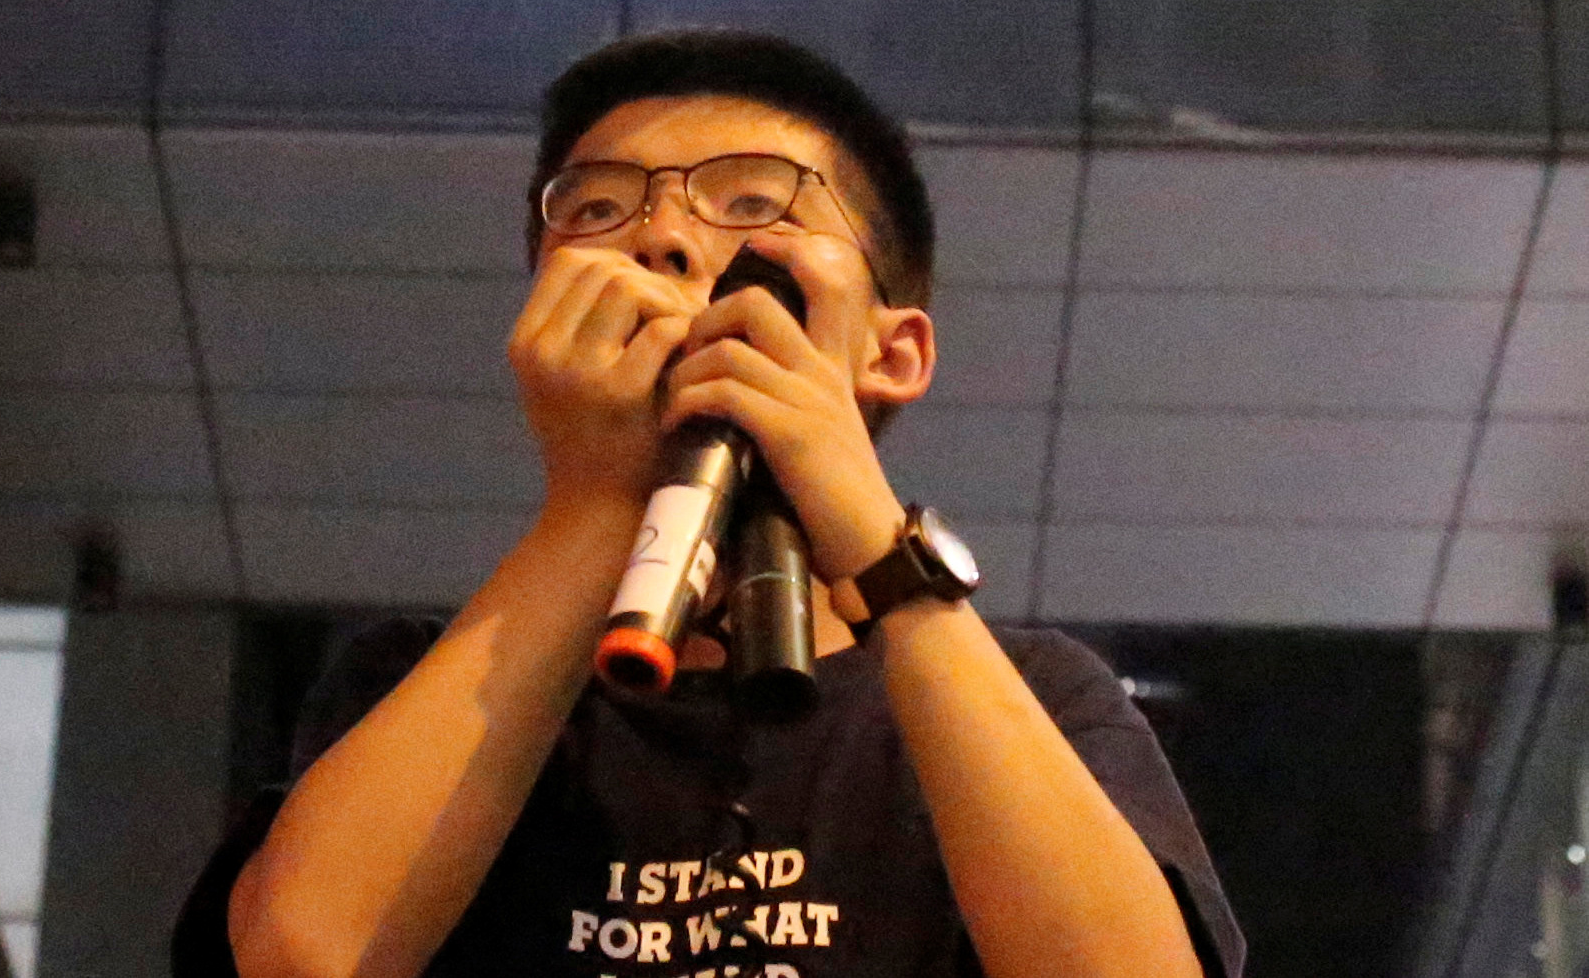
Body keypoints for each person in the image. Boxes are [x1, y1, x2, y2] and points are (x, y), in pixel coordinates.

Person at [174, 29, 1245, 978]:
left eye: (753, 203)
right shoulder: (413, 682)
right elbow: (298, 957)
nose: (663, 239)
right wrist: (596, 504)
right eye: (597, 209)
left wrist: (867, 532)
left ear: (894, 349)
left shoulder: (1035, 696)